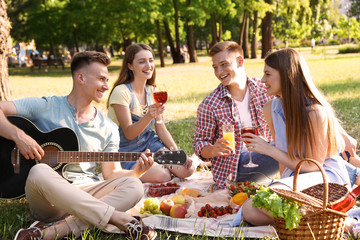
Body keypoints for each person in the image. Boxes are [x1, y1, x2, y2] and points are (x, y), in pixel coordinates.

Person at [0, 51, 156, 240]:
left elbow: (111, 173)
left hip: (86, 192)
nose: (107, 86)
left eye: (107, 80)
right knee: (39, 171)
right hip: (47, 199)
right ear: (81, 77)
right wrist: (19, 136)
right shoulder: (46, 106)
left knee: (135, 186)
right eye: (101, 79)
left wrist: (137, 172)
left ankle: (50, 232)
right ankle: (117, 218)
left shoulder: (108, 128)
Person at [241, 48, 351, 226]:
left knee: (256, 205)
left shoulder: (315, 113)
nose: (262, 80)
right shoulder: (271, 108)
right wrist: (285, 183)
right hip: (297, 177)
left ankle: (325, 214)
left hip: (324, 178)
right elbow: (283, 161)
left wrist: (269, 150)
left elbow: (312, 166)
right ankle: (320, 218)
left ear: (286, 75)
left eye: (268, 74)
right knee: (250, 211)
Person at [192, 41, 279, 188]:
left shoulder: (264, 90)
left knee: (291, 143)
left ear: (240, 61)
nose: (219, 72)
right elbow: (199, 143)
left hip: (267, 154)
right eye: (215, 67)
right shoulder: (210, 104)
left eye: (224, 64)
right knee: (287, 147)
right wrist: (213, 149)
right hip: (235, 169)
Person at [107, 43, 195, 183]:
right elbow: (129, 133)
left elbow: (160, 128)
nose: (148, 65)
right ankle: (152, 168)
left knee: (187, 169)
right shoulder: (121, 92)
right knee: (163, 175)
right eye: (142, 62)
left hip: (150, 145)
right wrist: (149, 116)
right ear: (130, 66)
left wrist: (176, 152)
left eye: (151, 60)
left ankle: (161, 164)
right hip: (127, 152)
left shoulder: (152, 91)